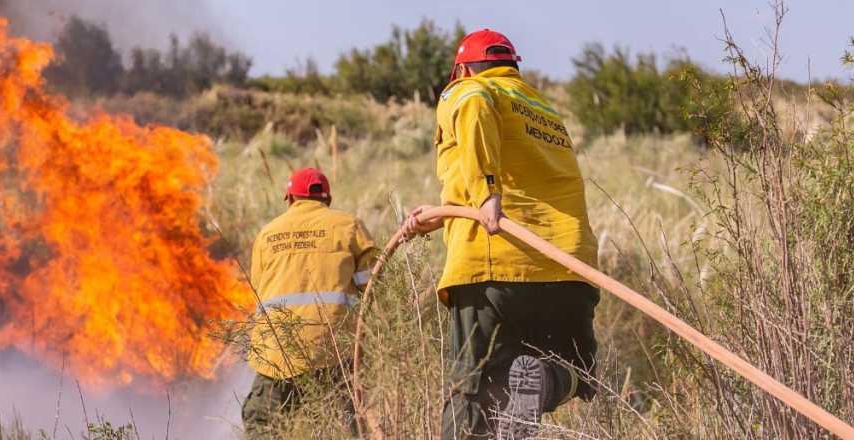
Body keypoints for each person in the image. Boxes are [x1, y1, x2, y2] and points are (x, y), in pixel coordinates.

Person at [406, 29, 601, 439]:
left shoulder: (469, 90)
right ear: (513, 67)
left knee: (474, 392)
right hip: (568, 265)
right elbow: (529, 185)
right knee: (573, 371)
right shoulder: (541, 108)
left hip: (495, 264)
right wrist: (444, 214)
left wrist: (486, 190)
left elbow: (474, 110)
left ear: (461, 69)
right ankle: (546, 382)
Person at [242, 167, 377, 437]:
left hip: (275, 353)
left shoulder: (267, 235)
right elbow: (373, 285)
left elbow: (258, 289)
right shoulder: (348, 226)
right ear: (327, 200)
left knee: (263, 425)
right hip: (331, 351)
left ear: (290, 198)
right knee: (340, 427)